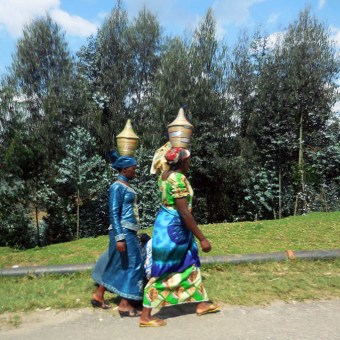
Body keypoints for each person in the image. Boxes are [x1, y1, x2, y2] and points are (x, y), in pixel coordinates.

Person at [139, 146, 220, 327]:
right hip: (174, 230)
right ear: (183, 161)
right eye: (189, 159)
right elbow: (184, 213)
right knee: (165, 270)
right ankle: (145, 316)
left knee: (190, 262)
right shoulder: (178, 180)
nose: (190, 162)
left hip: (169, 224)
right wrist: (202, 238)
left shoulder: (165, 175)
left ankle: (201, 303)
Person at [91, 152, 143, 317]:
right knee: (134, 264)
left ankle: (98, 295)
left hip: (128, 230)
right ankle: (125, 305)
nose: (135, 172)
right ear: (125, 169)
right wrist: (120, 237)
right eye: (133, 169)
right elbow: (113, 213)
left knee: (116, 263)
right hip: (123, 231)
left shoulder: (126, 186)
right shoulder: (117, 187)